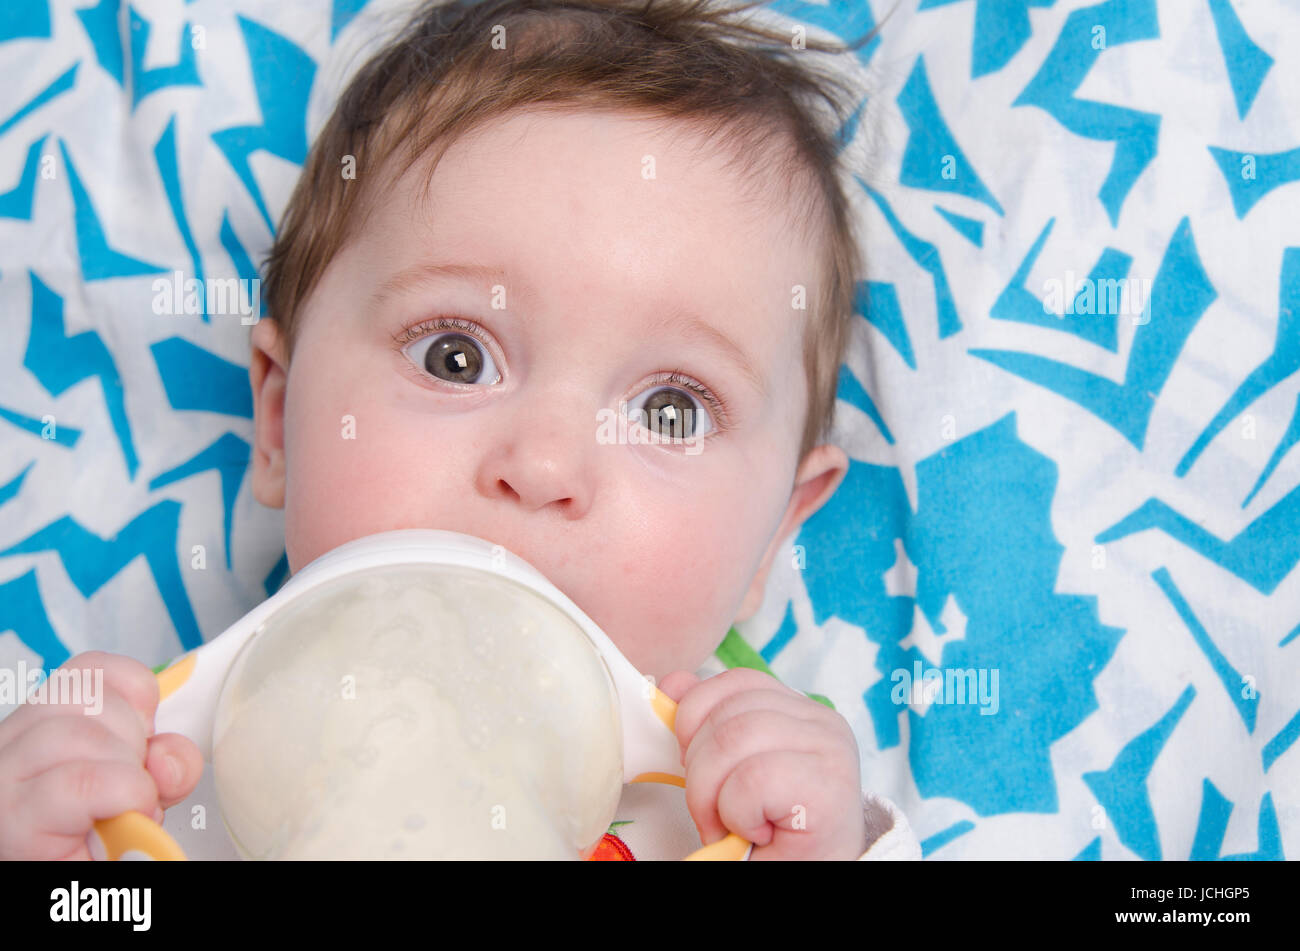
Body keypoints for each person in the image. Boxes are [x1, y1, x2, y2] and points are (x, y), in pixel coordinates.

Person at [0, 0, 919, 861]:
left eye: (670, 411)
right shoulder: (152, 768)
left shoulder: (757, 801)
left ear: (776, 532)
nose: (546, 463)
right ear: (279, 418)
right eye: (454, 357)